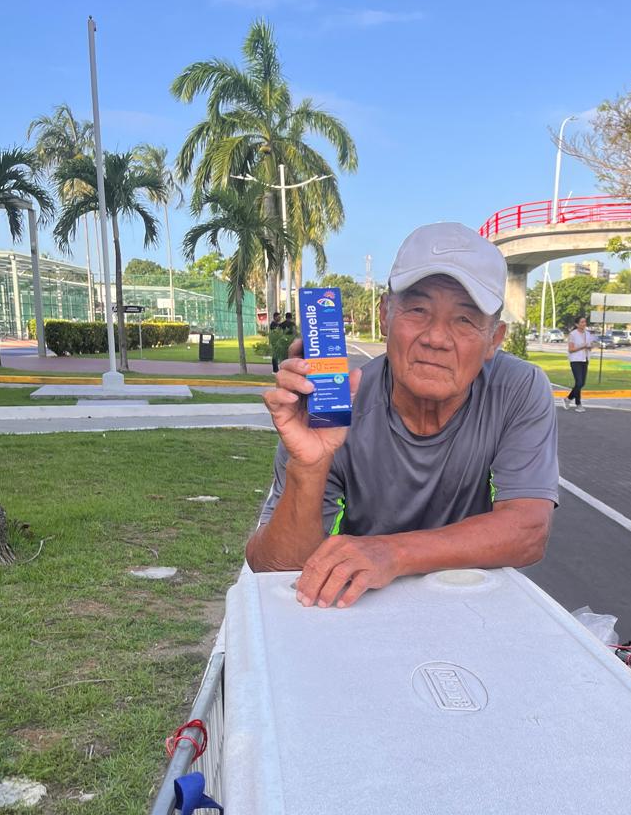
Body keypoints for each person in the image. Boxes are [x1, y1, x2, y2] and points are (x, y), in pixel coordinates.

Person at [246, 221, 559, 608]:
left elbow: (528, 531)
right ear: (385, 315)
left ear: (494, 340)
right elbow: (273, 569)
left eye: (464, 319)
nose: (436, 338)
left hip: (471, 602)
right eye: (417, 309)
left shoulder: (518, 388)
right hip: (360, 604)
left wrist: (392, 553)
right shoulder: (333, 405)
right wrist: (309, 466)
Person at [564, 314, 592, 411]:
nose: (584, 323)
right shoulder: (573, 334)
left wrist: (590, 347)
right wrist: (582, 346)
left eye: (585, 322)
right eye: (582, 322)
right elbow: (571, 349)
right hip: (575, 360)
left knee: (581, 383)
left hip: (585, 359)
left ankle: (568, 399)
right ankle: (578, 403)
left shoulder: (587, 334)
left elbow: (589, 346)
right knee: (579, 382)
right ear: (577, 324)